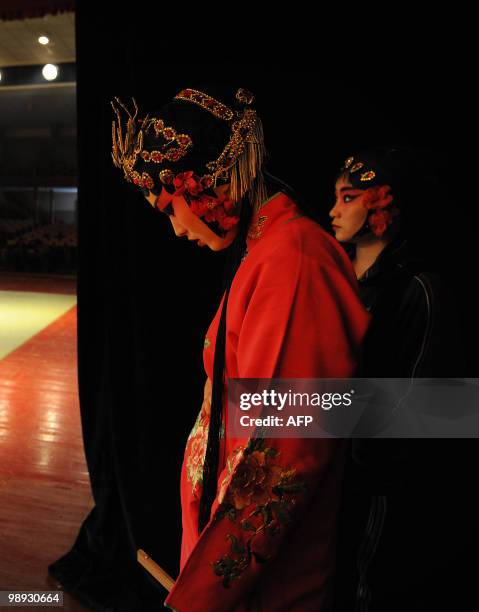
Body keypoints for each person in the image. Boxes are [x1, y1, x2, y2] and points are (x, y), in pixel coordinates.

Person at [111, 86, 370, 611]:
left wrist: (204, 594)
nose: (176, 229)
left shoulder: (292, 259)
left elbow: (283, 448)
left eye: (170, 208)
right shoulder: (265, 250)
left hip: (263, 582)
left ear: (205, 183)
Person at [328, 147, 472, 611]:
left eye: (348, 198)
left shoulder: (421, 289)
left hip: (382, 490)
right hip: (323, 472)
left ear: (381, 205)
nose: (333, 210)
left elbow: (440, 413)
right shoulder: (334, 279)